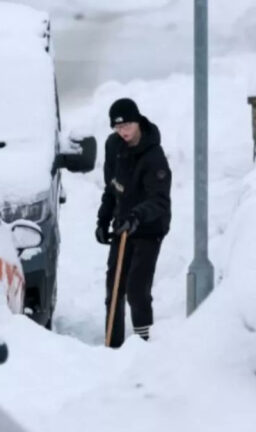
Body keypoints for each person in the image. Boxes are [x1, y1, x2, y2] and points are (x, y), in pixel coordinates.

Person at [95, 98, 171, 348]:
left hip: (149, 227)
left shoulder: (154, 156)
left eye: (127, 125)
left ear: (137, 121)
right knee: (114, 288)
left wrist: (136, 216)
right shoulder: (114, 146)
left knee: (137, 288)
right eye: (118, 128)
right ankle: (112, 344)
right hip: (123, 224)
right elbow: (112, 187)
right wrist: (103, 219)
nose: (123, 132)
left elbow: (159, 201)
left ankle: (144, 342)